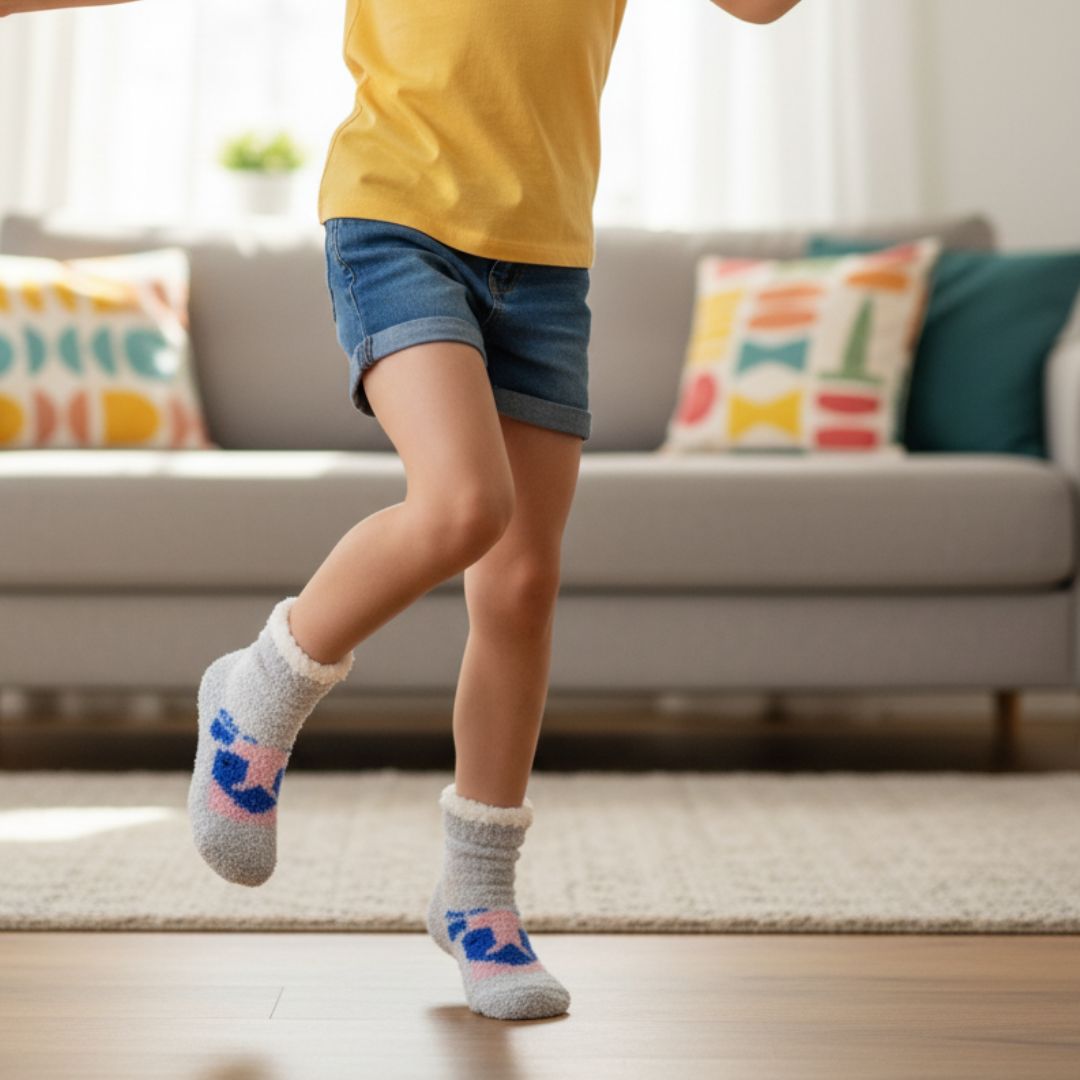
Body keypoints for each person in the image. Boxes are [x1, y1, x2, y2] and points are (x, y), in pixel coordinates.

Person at [6, 0, 804, 1021]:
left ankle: (478, 901)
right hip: (396, 225)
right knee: (465, 503)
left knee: (520, 584)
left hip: (548, 258)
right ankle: (259, 689)